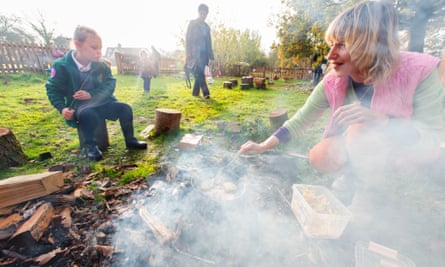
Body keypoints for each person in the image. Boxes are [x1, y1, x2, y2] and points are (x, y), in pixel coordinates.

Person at [240, 1, 444, 205]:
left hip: (408, 151)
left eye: (342, 45)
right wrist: (263, 145)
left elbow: (433, 138)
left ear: (368, 46)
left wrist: (384, 122)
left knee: (360, 131)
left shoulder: (420, 72)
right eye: (331, 45)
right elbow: (302, 119)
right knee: (319, 156)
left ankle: (368, 196)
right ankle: (354, 174)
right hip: (365, 149)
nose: (330, 56)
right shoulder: (334, 80)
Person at [46, 25, 147, 161]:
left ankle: (130, 140)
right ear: (78, 45)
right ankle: (91, 147)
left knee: (125, 108)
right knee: (88, 114)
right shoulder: (62, 66)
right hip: (81, 108)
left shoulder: (101, 65)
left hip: (103, 103)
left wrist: (91, 95)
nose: (99, 52)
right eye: (94, 48)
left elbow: (109, 84)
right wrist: (62, 108)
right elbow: (52, 89)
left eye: (100, 48)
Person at [185, 3, 214, 99]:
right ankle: (206, 93)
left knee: (200, 73)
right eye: (202, 13)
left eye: (205, 14)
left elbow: (209, 42)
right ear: (198, 12)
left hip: (205, 55)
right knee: (200, 73)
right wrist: (188, 54)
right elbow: (188, 40)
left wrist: (211, 57)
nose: (203, 16)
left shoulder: (206, 27)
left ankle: (195, 93)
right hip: (195, 54)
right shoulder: (193, 24)